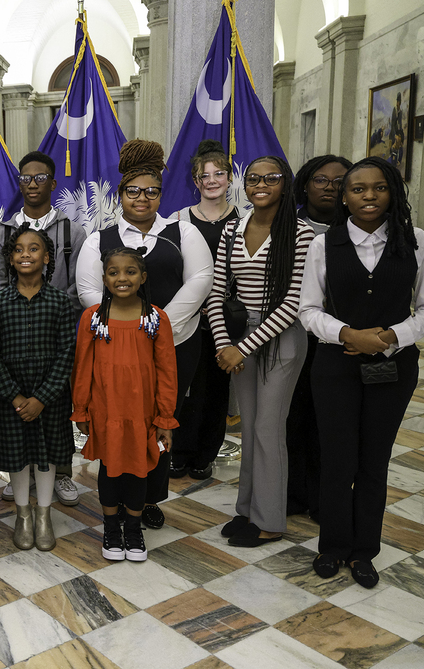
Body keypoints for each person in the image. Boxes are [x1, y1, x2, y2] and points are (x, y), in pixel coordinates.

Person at [300, 156, 424, 588]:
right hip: (335, 366)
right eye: (358, 189)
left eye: (378, 188)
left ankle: (364, 552)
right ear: (345, 197)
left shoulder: (417, 241)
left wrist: (393, 335)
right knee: (337, 460)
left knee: (374, 461)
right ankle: (333, 547)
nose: (368, 196)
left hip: (394, 367)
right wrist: (347, 334)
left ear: (392, 192)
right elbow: (309, 311)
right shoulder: (325, 245)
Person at [76, 140, 213, 529]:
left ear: (160, 194)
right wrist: (133, 328)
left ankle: (149, 498)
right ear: (120, 194)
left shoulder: (182, 232)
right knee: (118, 418)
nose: (142, 198)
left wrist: (158, 325)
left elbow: (201, 280)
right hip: (114, 350)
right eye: (133, 191)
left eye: (151, 191)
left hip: (176, 345)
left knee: (159, 417)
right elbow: (88, 291)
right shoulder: (98, 239)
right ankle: (115, 495)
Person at [207, 157, 314, 548]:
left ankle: (270, 520)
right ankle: (248, 509)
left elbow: (292, 305)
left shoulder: (301, 233)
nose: (261, 184)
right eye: (253, 178)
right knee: (250, 427)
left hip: (281, 337)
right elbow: (217, 294)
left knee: (269, 429)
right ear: (244, 185)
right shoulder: (232, 230)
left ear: (285, 183)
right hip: (238, 336)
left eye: (271, 177)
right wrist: (223, 344)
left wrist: (242, 349)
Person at [0, 150, 85, 508]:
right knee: (18, 407)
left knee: (54, 405)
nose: (32, 184)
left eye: (40, 177)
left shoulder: (71, 230)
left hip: (55, 329)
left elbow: (80, 284)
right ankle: (21, 474)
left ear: (53, 183)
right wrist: (18, 315)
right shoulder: (4, 232)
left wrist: (50, 312)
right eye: (26, 178)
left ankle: (60, 473)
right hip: (14, 333)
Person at [72, 247, 178, 562]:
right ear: (104, 278)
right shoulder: (92, 318)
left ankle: (133, 528)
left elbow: (167, 372)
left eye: (130, 271)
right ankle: (111, 529)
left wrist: (164, 418)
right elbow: (82, 368)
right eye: (114, 272)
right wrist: (81, 409)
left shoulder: (156, 318)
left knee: (138, 471)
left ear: (143, 277)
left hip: (143, 414)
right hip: (106, 412)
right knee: (111, 469)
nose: (122, 278)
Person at [0, 224, 77, 551]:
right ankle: (23, 514)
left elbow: (67, 353)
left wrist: (42, 397)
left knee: (47, 455)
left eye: (33, 248)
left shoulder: (60, 302)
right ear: (10, 259)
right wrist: (16, 396)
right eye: (19, 249)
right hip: (11, 399)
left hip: (50, 398)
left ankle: (43, 514)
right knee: (19, 457)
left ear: (47, 257)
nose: (26, 254)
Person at [284, 155, 353, 521]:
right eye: (321, 180)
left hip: (341, 339)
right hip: (293, 335)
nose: (329, 186)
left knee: (331, 422)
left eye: (339, 180)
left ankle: (325, 498)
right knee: (295, 416)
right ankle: (293, 493)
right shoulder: (287, 226)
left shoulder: (360, 228)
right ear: (306, 184)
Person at [170, 140, 240, 480]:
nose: (212, 180)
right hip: (187, 319)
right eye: (204, 175)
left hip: (226, 320)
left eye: (219, 174)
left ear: (229, 178)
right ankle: (178, 452)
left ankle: (205, 455)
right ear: (195, 182)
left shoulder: (244, 220)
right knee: (186, 386)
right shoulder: (179, 220)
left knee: (216, 388)